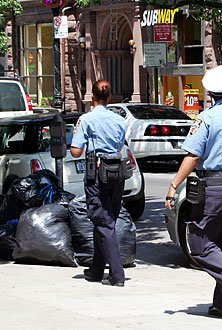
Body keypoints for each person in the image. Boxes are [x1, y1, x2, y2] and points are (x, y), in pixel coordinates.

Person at [165, 65, 222, 319]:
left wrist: (173, 186)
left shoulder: (207, 118)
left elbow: (193, 155)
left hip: (215, 185)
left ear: (211, 94)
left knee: (199, 243)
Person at [71, 79, 127, 287]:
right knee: (106, 219)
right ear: (109, 97)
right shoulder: (119, 120)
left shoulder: (86, 120)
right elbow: (120, 145)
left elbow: (76, 150)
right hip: (117, 173)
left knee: (103, 222)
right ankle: (96, 269)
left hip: (97, 174)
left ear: (92, 96)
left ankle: (116, 274)